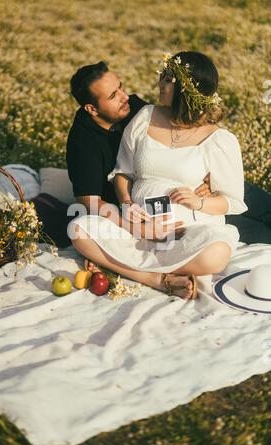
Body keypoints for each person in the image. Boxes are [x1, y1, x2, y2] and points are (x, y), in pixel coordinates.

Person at [67, 51, 251, 300]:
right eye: (113, 95)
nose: (158, 84)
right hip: (137, 229)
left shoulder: (219, 140)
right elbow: (121, 173)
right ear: (92, 108)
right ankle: (154, 278)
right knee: (78, 228)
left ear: (185, 91)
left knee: (217, 254)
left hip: (187, 232)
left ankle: (118, 264)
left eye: (166, 80)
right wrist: (129, 208)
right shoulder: (140, 118)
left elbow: (231, 201)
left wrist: (201, 200)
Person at [66, 61, 271, 246]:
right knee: (251, 232)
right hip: (154, 208)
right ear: (92, 109)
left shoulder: (134, 107)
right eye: (113, 96)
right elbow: (89, 201)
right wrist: (131, 216)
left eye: (121, 87)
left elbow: (183, 126)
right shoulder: (82, 142)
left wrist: (208, 179)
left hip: (194, 184)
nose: (125, 96)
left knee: (257, 201)